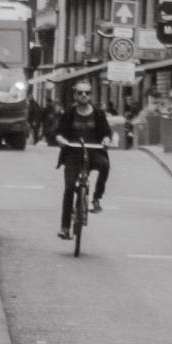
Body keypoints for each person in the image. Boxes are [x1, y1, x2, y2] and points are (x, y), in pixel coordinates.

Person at [55, 83, 111, 238]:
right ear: (75, 95)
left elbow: (106, 132)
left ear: (91, 95)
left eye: (87, 93)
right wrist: (61, 139)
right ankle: (65, 227)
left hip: (93, 151)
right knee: (69, 188)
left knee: (105, 165)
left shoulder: (98, 114)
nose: (84, 95)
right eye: (80, 93)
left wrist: (106, 140)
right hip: (73, 153)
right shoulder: (69, 113)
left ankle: (96, 198)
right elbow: (59, 132)